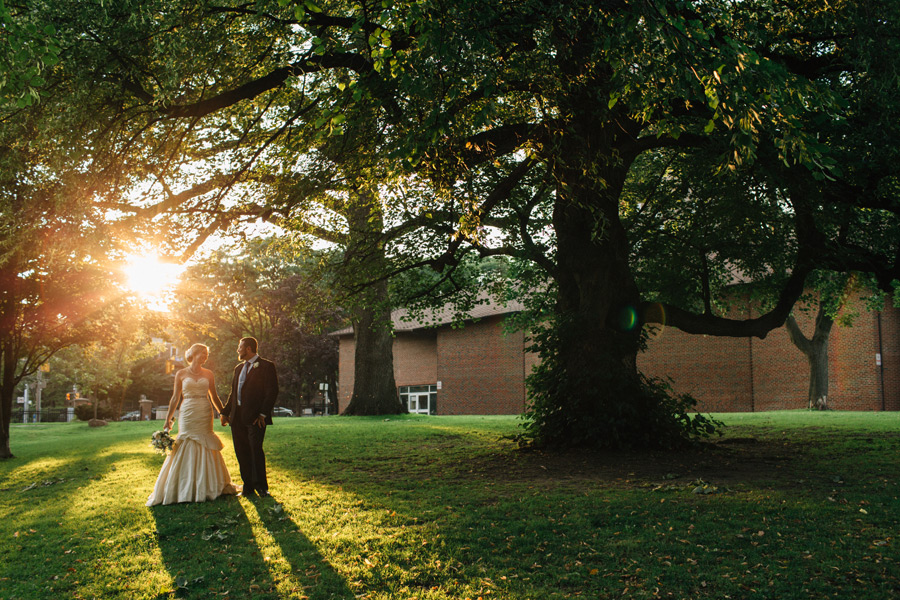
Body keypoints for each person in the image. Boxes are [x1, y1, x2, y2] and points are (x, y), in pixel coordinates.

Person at [147, 343, 237, 506]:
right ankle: (182, 486)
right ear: (193, 354)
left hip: (204, 410)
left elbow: (214, 397)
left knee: (205, 441)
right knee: (185, 440)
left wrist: (223, 413)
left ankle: (208, 485)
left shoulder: (209, 374)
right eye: (202, 353)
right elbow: (175, 398)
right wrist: (168, 419)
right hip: (187, 410)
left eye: (206, 354)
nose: (204, 357)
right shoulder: (181, 373)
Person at [221, 336, 279, 498]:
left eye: (240, 347)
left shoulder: (267, 366)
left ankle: (261, 487)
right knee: (241, 452)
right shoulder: (238, 369)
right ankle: (247, 487)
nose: (237, 350)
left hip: (255, 418)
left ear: (248, 349)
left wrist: (262, 414)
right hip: (237, 418)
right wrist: (225, 412)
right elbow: (234, 393)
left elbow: (271, 391)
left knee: (255, 451)